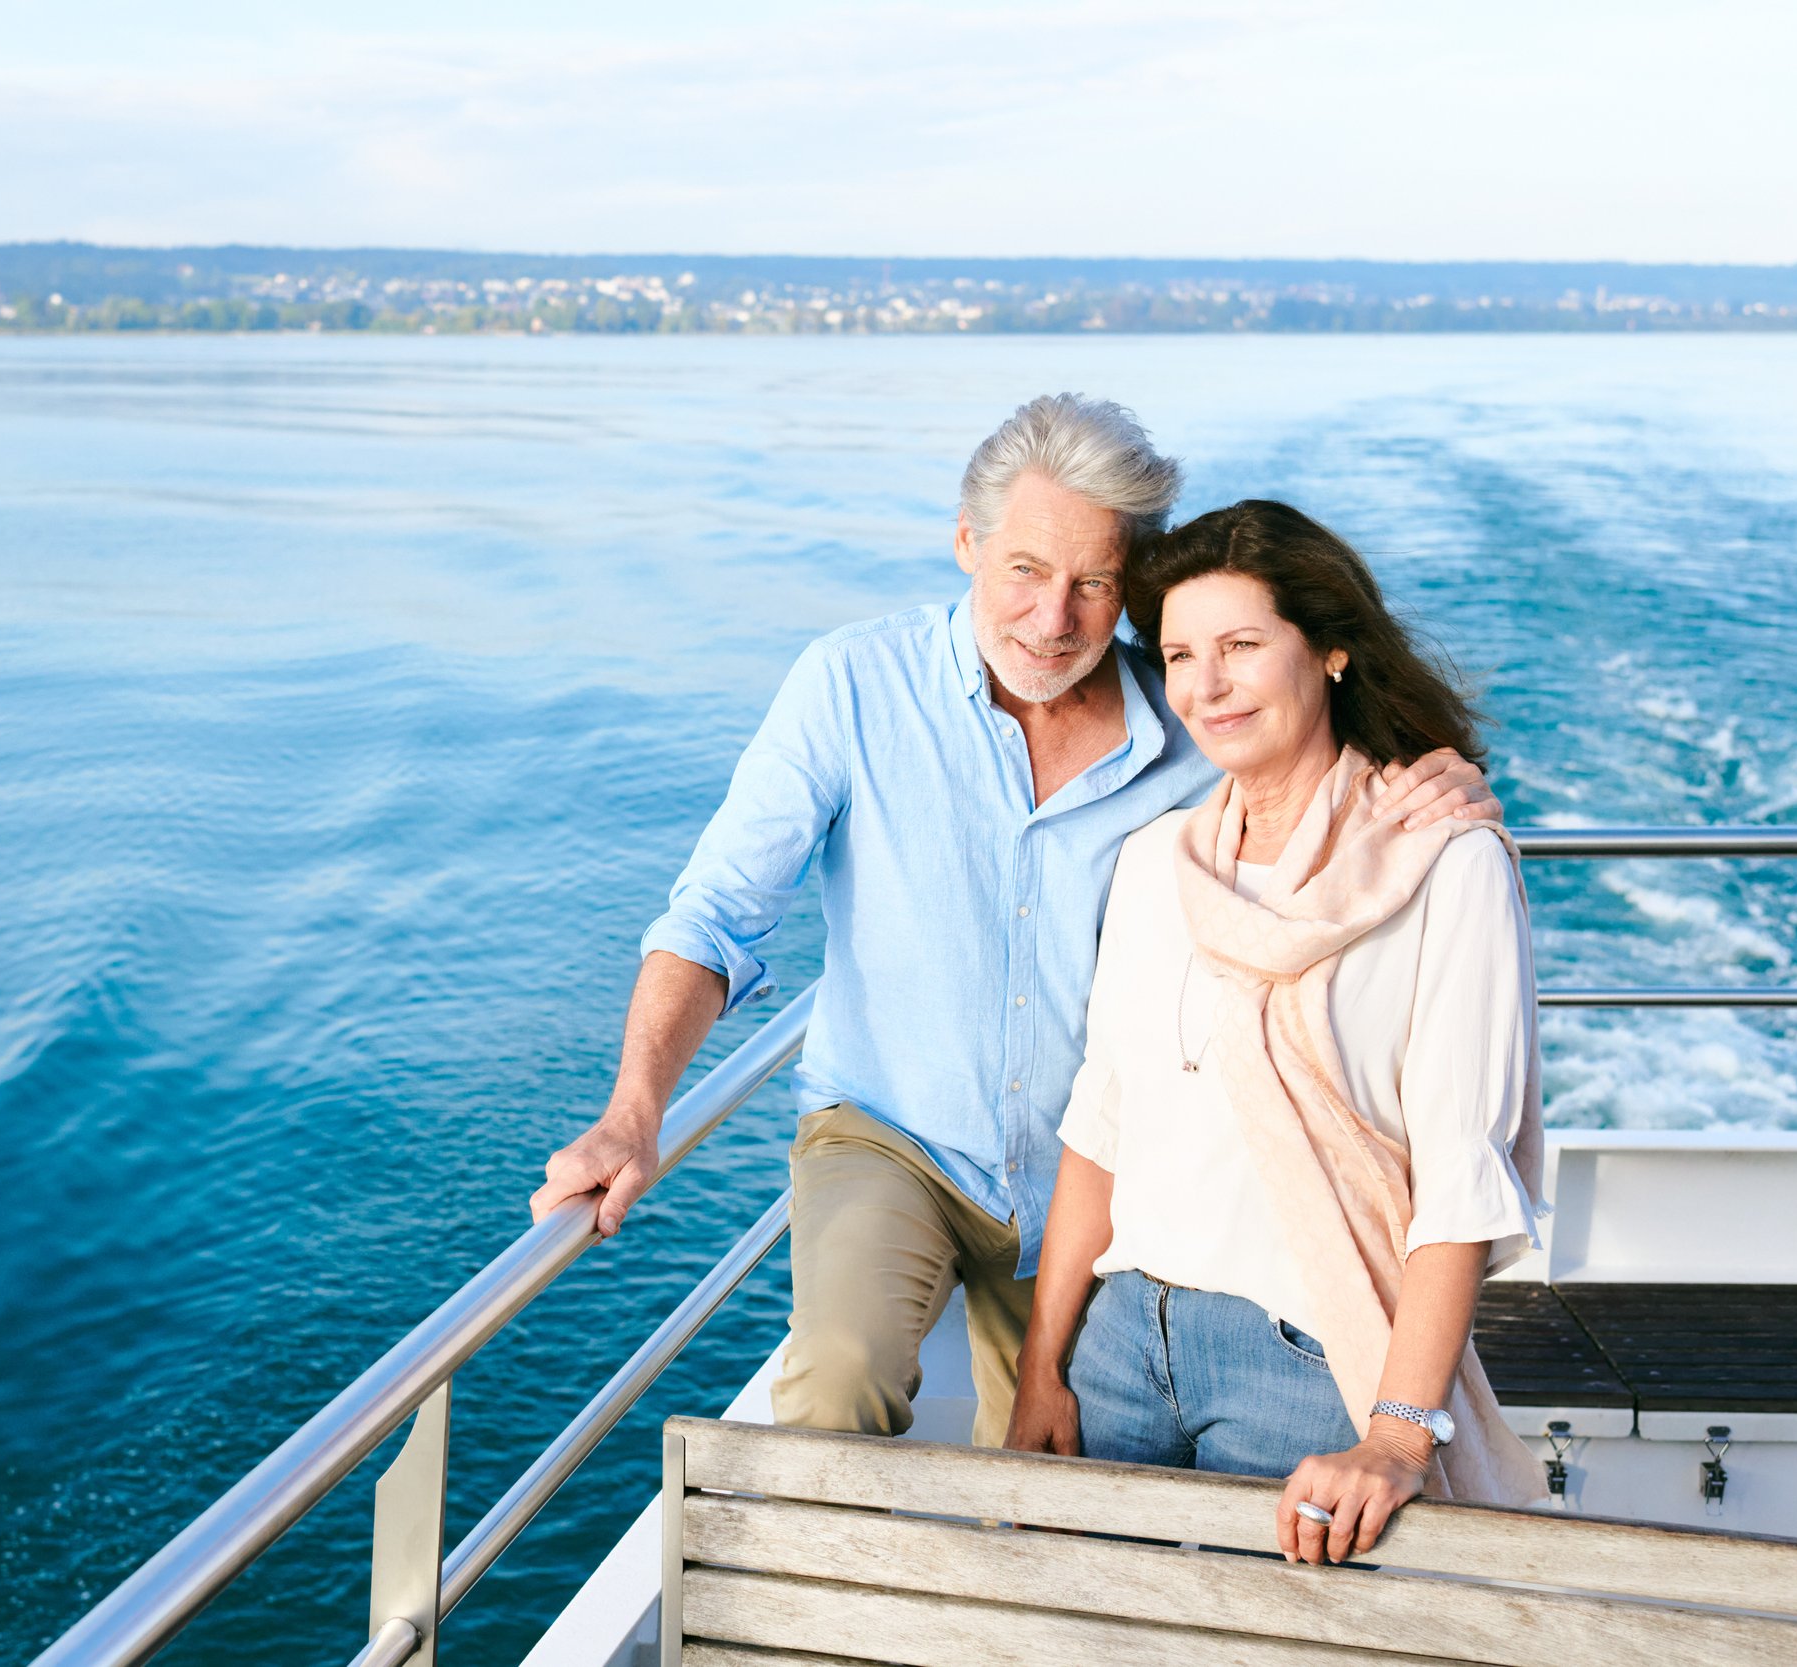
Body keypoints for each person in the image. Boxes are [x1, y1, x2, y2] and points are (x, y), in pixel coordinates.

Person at [529, 399, 1500, 1451]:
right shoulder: (851, 683)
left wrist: (1432, 772)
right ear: (967, 542)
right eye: (1025, 570)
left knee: (1043, 1469)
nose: (1053, 619)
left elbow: (1309, 757)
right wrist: (634, 1112)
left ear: (1130, 586)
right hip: (894, 1132)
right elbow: (716, 913)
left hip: (1096, 1171)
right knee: (836, 1383)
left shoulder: (1192, 715)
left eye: (1094, 584)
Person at [1003, 498, 1550, 1561]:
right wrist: (1041, 1370)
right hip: (1119, 1346)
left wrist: (1396, 1437)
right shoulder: (1157, 865)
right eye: (1179, 656)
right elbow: (1101, 1126)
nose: (1206, 685)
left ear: (1332, 648)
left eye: (1243, 646)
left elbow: (1460, 1174)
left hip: (1302, 1361)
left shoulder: (1446, 865)